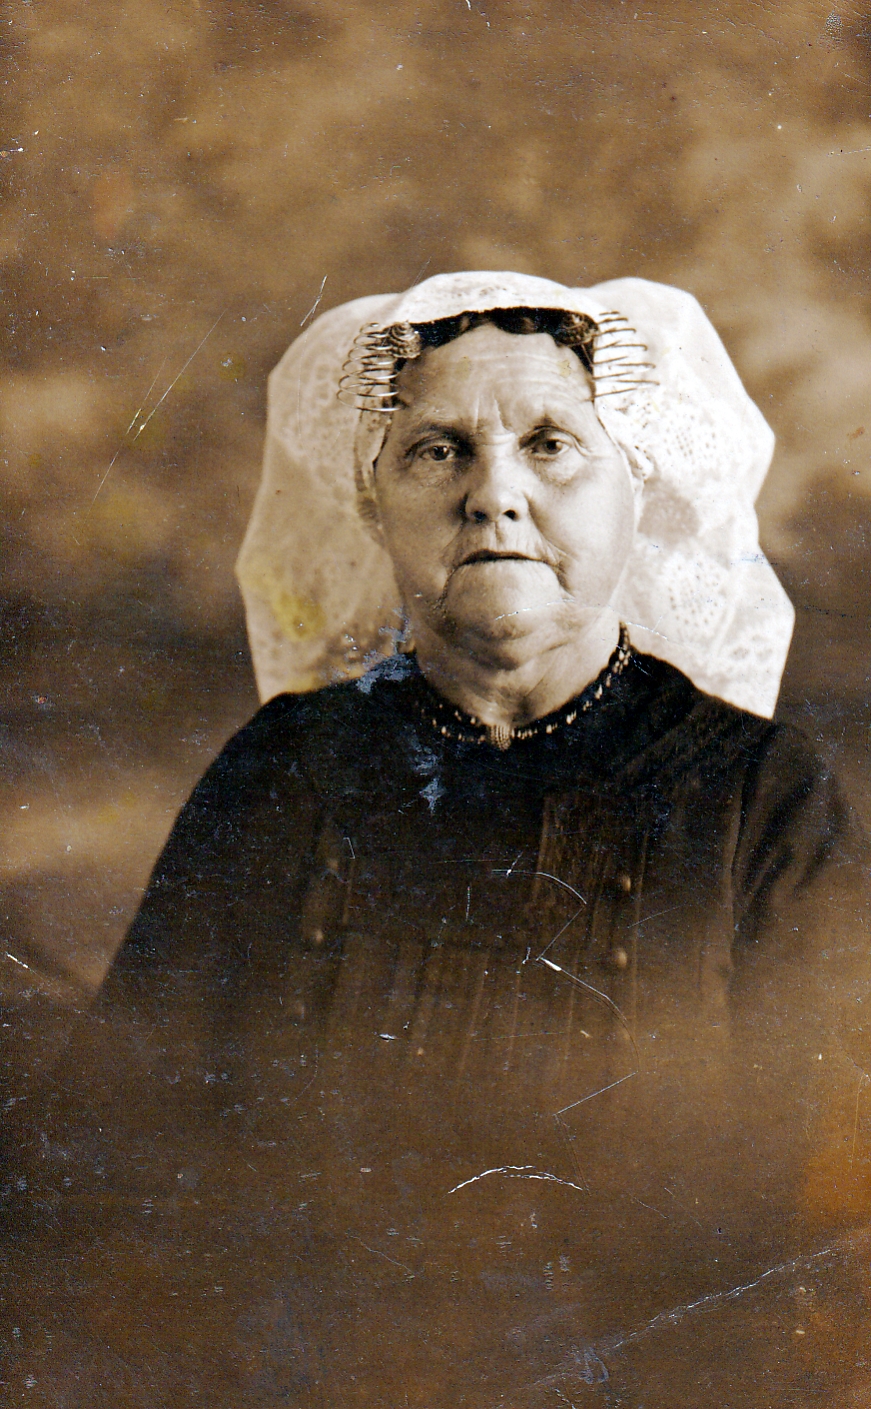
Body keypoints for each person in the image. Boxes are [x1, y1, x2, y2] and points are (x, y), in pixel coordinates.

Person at [8, 272, 871, 1406]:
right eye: (436, 451)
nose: (493, 495)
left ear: (640, 486)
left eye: (551, 444)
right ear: (371, 503)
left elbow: (818, 1214)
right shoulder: (286, 767)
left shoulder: (760, 794)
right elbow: (110, 1150)